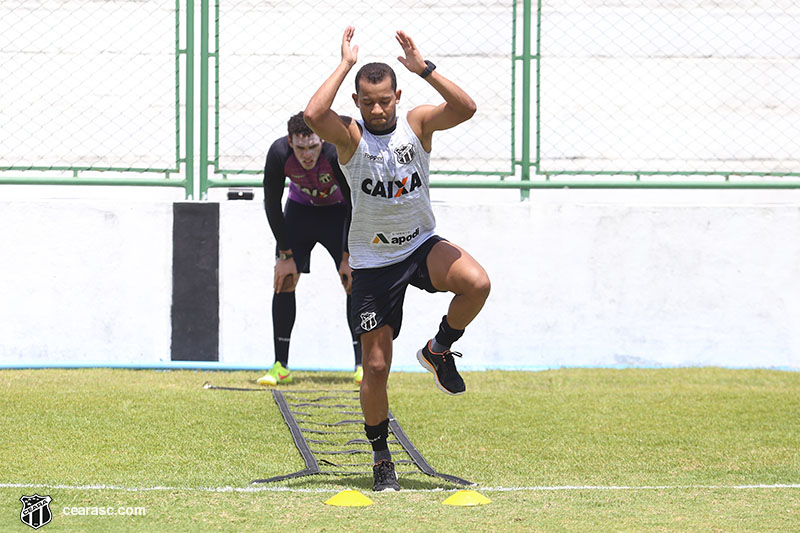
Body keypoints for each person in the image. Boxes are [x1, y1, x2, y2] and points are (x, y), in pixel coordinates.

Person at [304, 28, 491, 491]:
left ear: (397, 94)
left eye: (385, 100)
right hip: (372, 264)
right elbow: (312, 114)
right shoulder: (350, 137)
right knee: (376, 367)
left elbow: (466, 108)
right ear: (358, 100)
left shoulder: (417, 123)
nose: (378, 110)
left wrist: (423, 66)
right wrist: (345, 62)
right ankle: (381, 457)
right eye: (368, 102)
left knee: (477, 283)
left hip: (420, 246)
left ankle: (438, 348)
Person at [256, 112, 363, 386]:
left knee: (354, 282)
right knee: (285, 281)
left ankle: (362, 365)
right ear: (290, 142)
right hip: (300, 213)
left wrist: (347, 255)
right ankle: (280, 366)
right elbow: (271, 203)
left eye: (312, 147)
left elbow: (354, 202)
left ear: (322, 140)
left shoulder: (334, 151)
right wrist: (284, 254)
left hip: (338, 214)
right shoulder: (278, 153)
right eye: (300, 148)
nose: (307, 155)